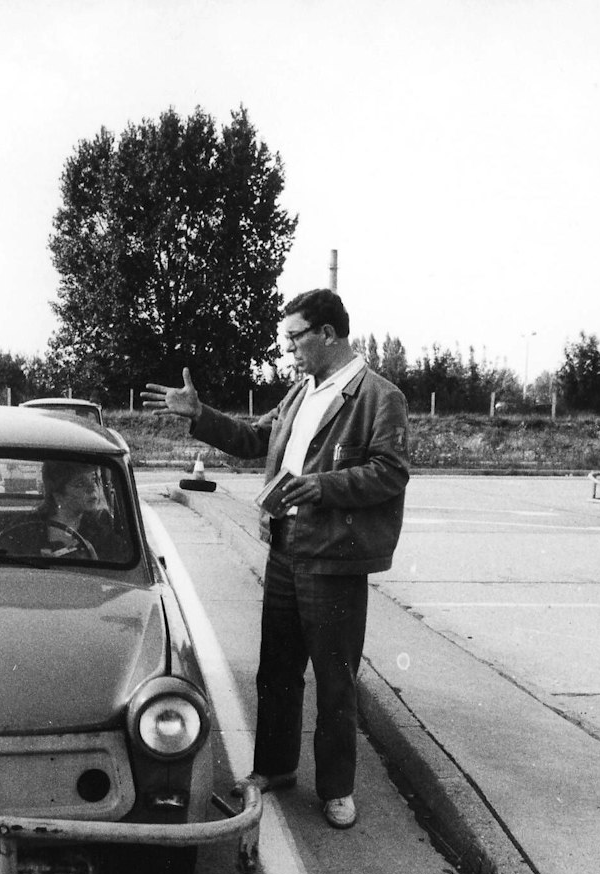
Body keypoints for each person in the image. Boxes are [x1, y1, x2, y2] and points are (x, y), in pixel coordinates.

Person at [141, 288, 409, 829]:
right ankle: (275, 768)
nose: (287, 348)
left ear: (327, 334)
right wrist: (200, 415)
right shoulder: (301, 392)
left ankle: (336, 789)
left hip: (333, 560)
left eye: (294, 337)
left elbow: (390, 470)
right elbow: (254, 438)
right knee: (278, 670)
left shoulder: (380, 396)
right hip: (286, 550)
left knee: (335, 681)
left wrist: (324, 486)